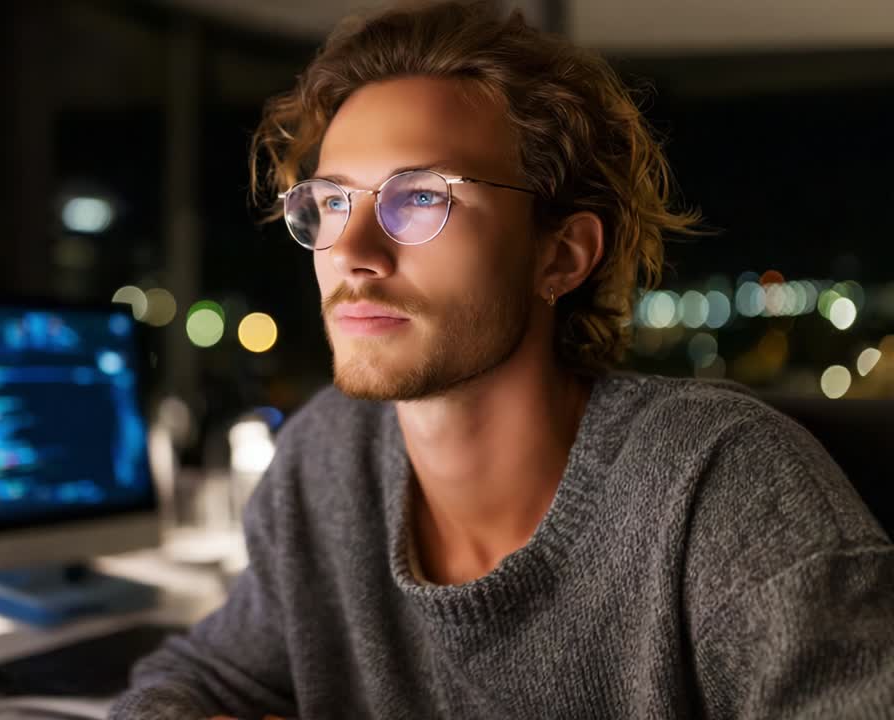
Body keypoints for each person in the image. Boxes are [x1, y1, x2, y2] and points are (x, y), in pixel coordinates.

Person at [110, 2, 894, 717]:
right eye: (332, 202)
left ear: (561, 256)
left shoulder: (724, 489)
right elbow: (194, 681)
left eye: (420, 198)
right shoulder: (327, 461)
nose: (351, 251)